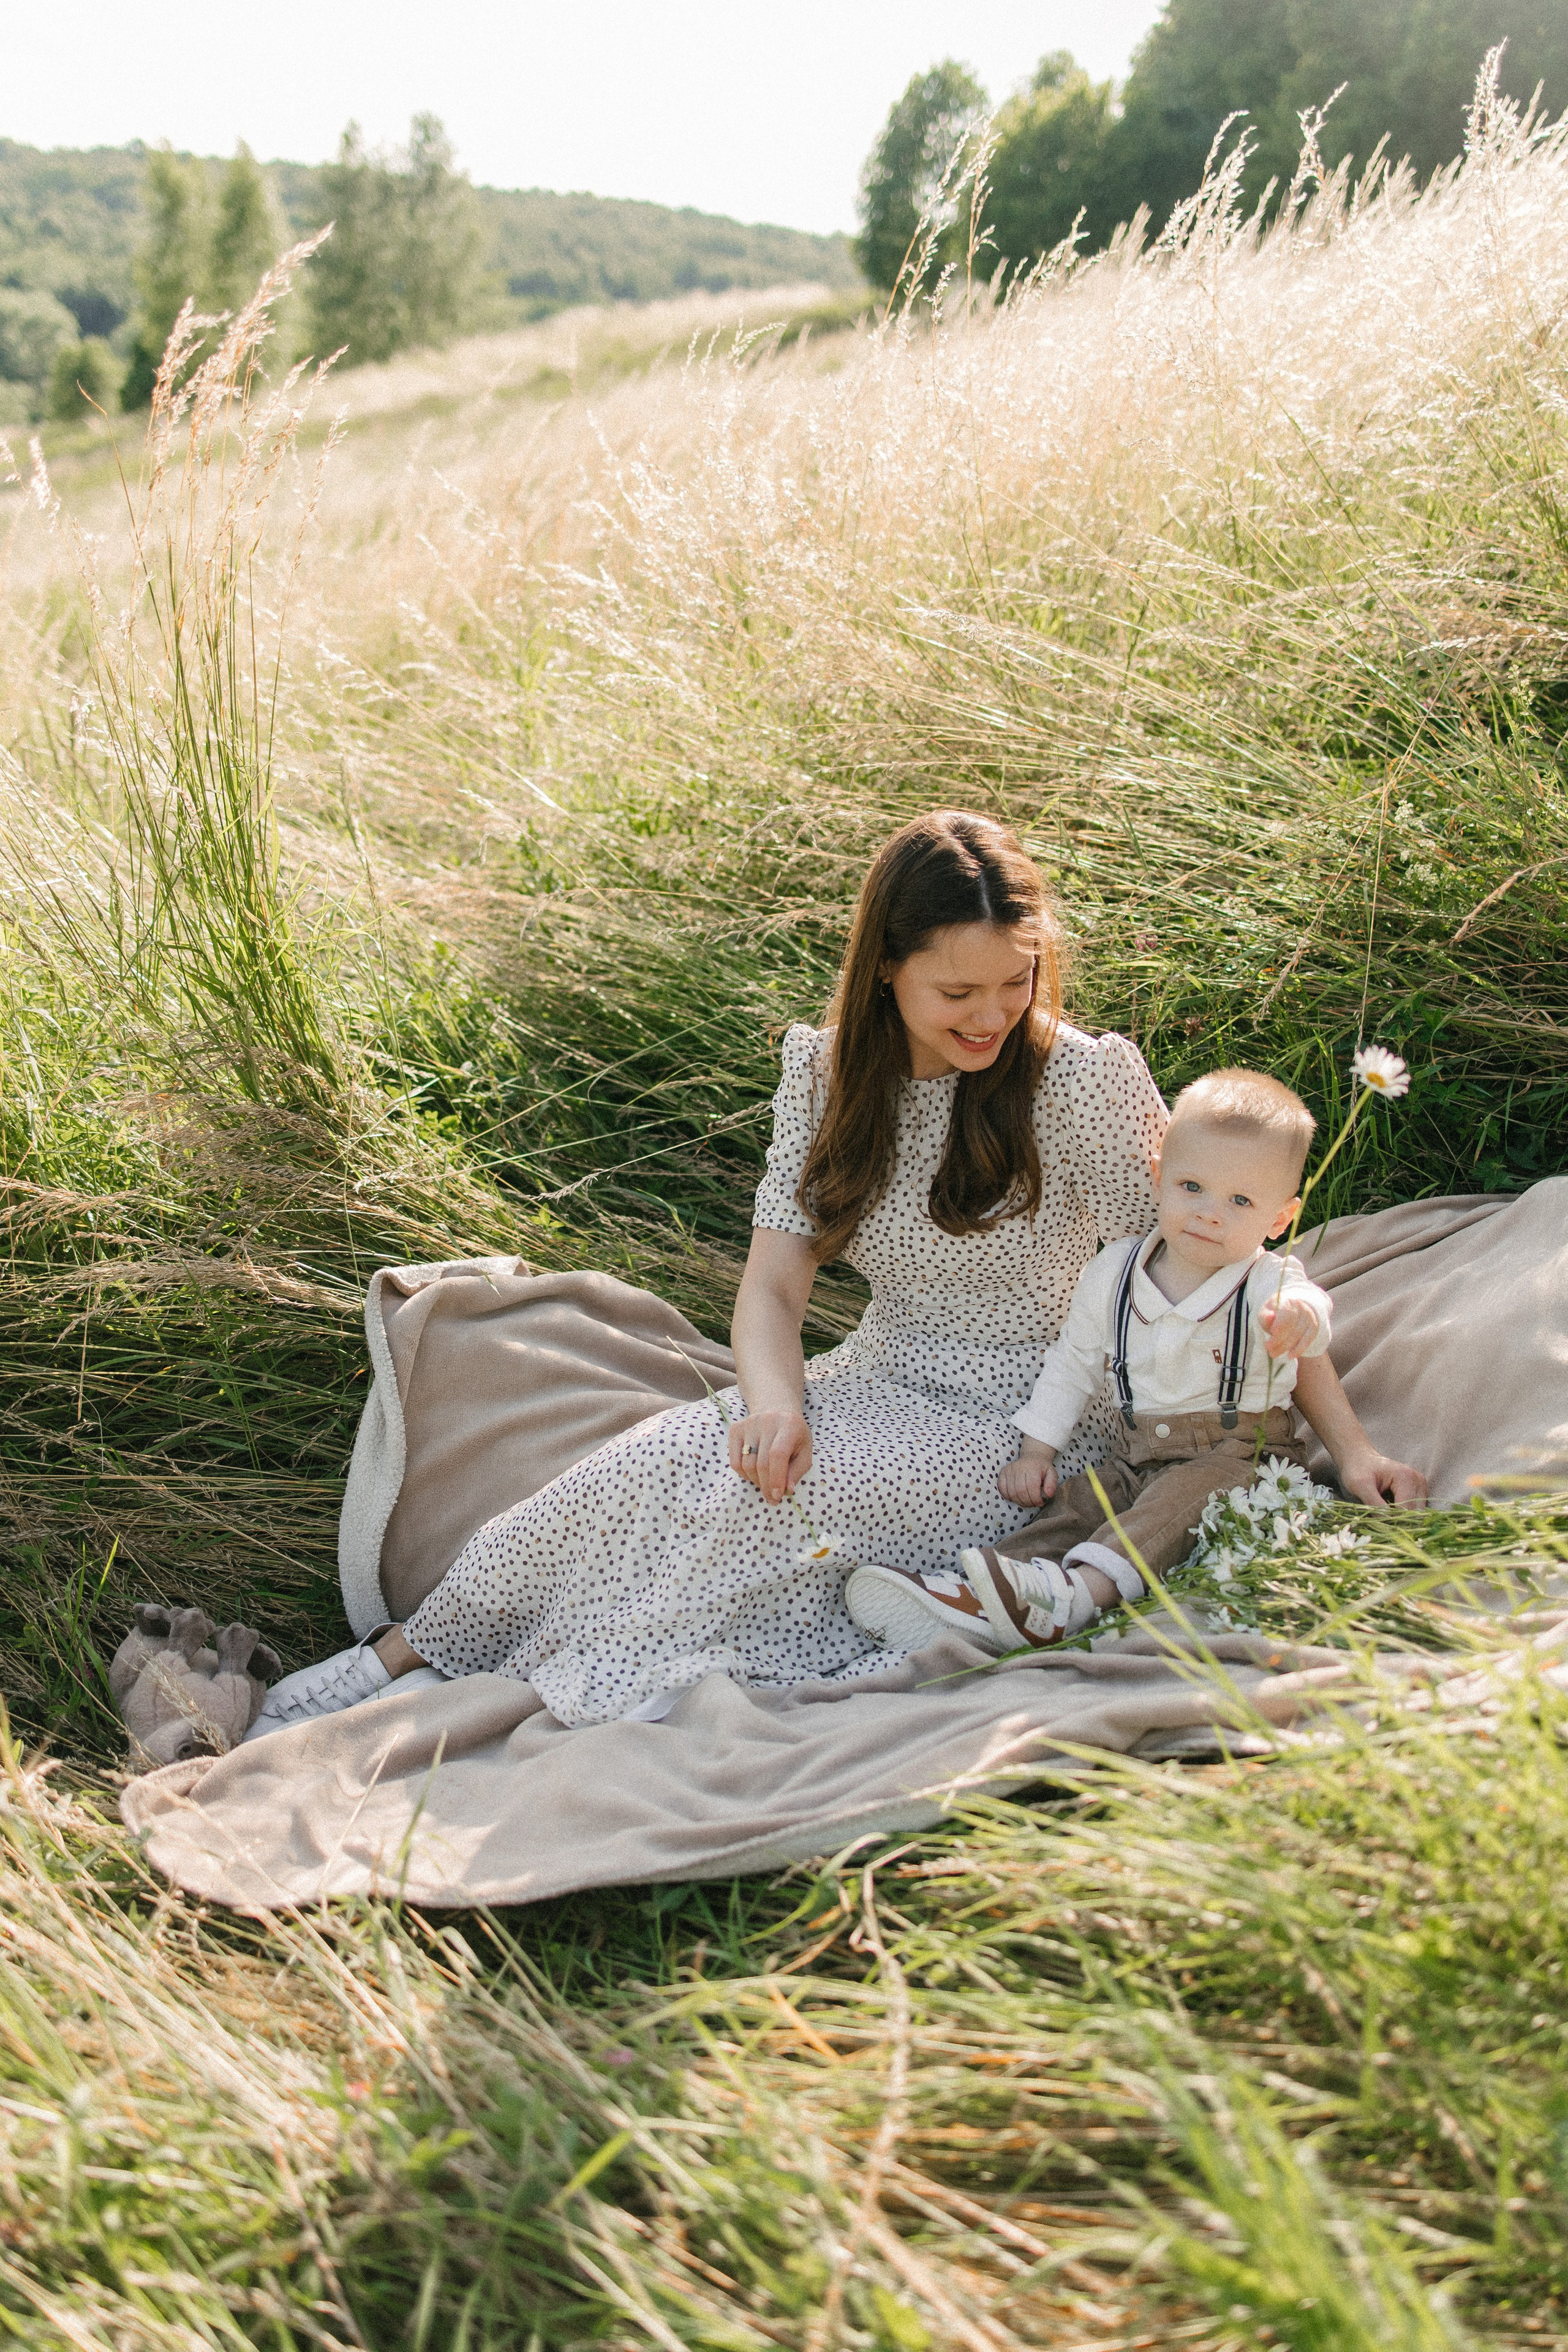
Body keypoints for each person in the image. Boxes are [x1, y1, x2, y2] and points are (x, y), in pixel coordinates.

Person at [243, 811, 1409, 1743]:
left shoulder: (1087, 1084)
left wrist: (1341, 1442)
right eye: (960, 993)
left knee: (767, 1516)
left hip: (1043, 1412)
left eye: (1018, 982)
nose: (995, 1015)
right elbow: (773, 1291)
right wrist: (774, 1400)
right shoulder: (826, 1080)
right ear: (887, 971)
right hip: (882, 1369)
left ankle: (504, 1691)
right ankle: (402, 1658)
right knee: (647, 1469)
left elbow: (1235, 1269)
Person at [844, 1067, 1425, 1656]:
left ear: (1279, 1220)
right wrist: (1037, 1451)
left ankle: (1078, 1598)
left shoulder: (1264, 1280)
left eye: (1241, 1200)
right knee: (1078, 1502)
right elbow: (1073, 1364)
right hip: (1138, 1452)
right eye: (1192, 1187)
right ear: (1159, 1177)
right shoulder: (1116, 1272)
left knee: (1173, 1508)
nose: (1209, 1213)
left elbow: (1309, 1314)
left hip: (1238, 1457)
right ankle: (976, 1592)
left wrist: (1301, 1315)